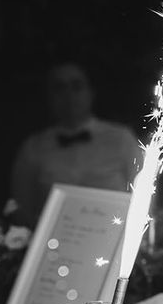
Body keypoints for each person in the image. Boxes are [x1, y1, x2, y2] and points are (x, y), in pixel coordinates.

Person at [10, 59, 141, 226]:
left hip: (114, 244)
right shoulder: (32, 148)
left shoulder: (121, 139)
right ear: (49, 96)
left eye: (76, 86)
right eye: (60, 88)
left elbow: (143, 198)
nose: (69, 95)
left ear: (91, 92)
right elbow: (22, 210)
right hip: (54, 247)